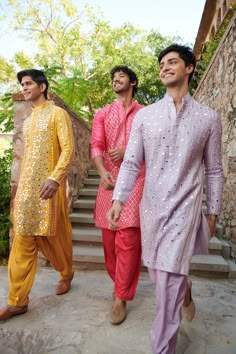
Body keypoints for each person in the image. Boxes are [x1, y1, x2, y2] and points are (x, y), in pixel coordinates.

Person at [106, 44, 224, 353]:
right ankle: (184, 289)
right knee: (163, 275)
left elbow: (213, 169)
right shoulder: (146, 117)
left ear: (189, 68)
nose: (165, 67)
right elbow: (131, 162)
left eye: (173, 62)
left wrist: (212, 212)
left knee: (167, 280)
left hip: (186, 210)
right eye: (161, 64)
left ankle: (163, 348)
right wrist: (119, 200)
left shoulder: (208, 118)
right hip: (152, 209)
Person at [0, 69, 75, 321]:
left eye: (28, 83)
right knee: (21, 240)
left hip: (48, 190)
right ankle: (17, 301)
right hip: (26, 192)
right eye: (22, 84)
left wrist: (55, 178)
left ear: (42, 87)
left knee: (53, 240)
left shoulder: (57, 114)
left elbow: (68, 150)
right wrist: (18, 189)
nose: (24, 87)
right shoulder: (29, 120)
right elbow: (27, 160)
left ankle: (66, 272)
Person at [91, 66, 145, 325]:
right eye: (113, 77)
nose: (116, 79)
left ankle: (121, 297)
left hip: (136, 180)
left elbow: (152, 147)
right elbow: (96, 146)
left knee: (128, 238)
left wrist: (129, 152)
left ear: (133, 82)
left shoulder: (145, 114)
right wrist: (102, 172)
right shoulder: (102, 114)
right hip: (109, 182)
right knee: (110, 242)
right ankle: (119, 284)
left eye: (121, 76)